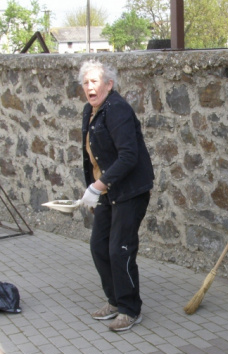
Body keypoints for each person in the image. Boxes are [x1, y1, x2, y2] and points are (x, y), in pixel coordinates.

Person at [78, 60, 154, 332]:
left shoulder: (117, 109)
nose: (90, 87)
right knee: (99, 246)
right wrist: (93, 188)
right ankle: (114, 300)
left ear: (108, 84)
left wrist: (98, 186)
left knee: (119, 249)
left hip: (130, 190)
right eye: (86, 82)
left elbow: (129, 156)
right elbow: (93, 156)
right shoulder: (90, 110)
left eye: (95, 81)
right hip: (108, 191)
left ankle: (129, 309)